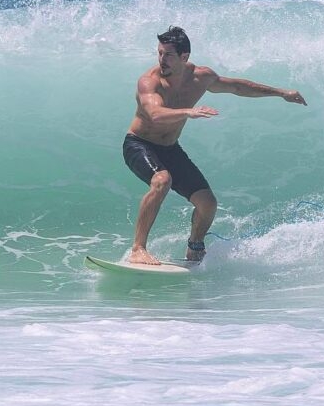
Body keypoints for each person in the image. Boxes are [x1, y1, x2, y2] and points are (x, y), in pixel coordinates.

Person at [124, 26, 307, 265]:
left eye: (168, 55)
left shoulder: (201, 77)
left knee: (207, 204)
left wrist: (281, 92)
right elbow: (154, 113)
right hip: (139, 145)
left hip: (170, 148)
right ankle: (138, 249)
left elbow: (238, 87)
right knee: (162, 180)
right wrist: (188, 112)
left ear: (184, 57)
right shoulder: (149, 82)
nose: (161, 60)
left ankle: (195, 246)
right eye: (159, 53)